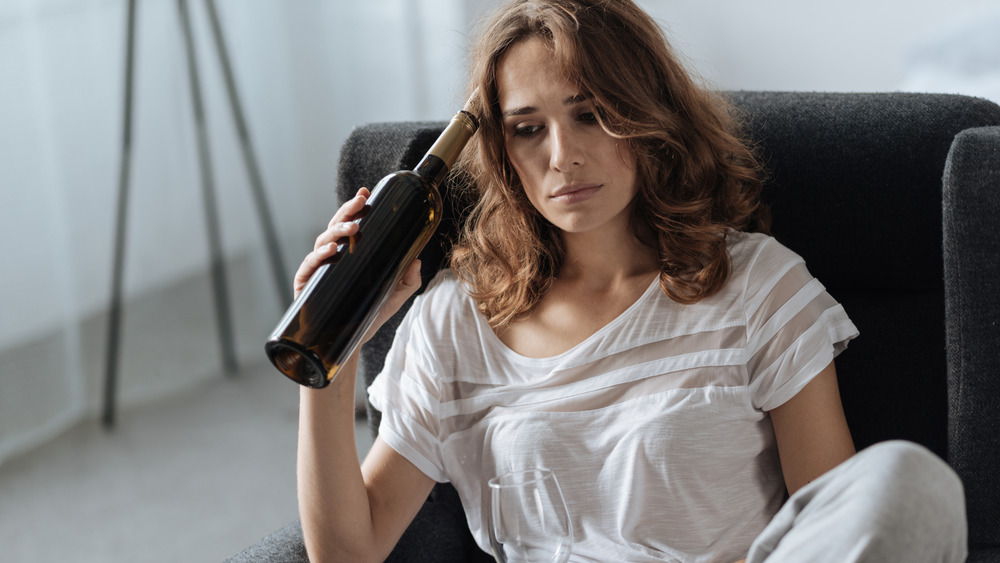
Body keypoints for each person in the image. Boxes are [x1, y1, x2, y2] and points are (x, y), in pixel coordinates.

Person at [294, 1, 969, 561]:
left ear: (646, 116)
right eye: (528, 129)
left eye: (590, 114)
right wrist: (333, 349)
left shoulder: (757, 285)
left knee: (905, 482)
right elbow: (348, 552)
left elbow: (835, 519)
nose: (563, 156)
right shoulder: (454, 320)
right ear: (502, 150)